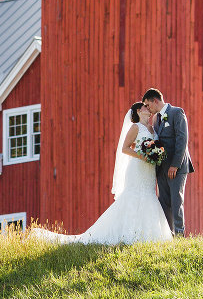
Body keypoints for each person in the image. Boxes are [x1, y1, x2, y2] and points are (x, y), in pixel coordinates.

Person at [31, 102, 172, 245]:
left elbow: (156, 147)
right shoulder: (136, 127)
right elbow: (124, 148)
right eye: (145, 107)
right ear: (138, 111)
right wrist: (143, 156)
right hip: (137, 168)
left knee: (149, 196)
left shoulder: (153, 129)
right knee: (133, 197)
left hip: (149, 170)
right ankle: (128, 234)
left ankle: (152, 236)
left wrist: (156, 155)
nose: (148, 108)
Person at [142, 88, 194, 237]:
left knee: (176, 201)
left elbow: (182, 140)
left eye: (148, 105)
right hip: (161, 168)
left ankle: (179, 235)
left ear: (155, 101)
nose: (149, 109)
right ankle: (168, 235)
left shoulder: (177, 113)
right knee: (164, 202)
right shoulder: (155, 120)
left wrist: (175, 165)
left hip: (176, 167)